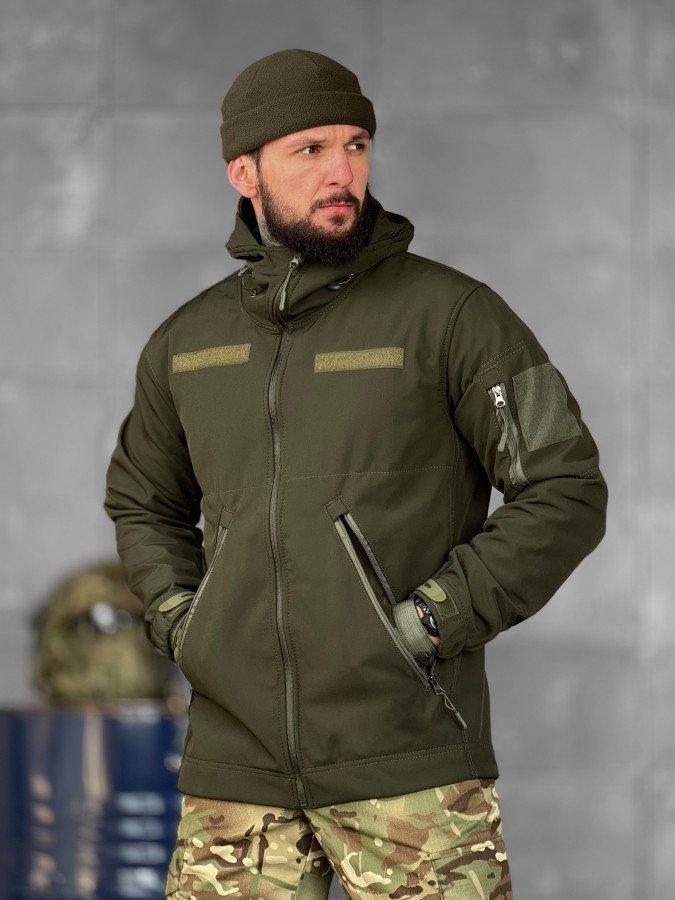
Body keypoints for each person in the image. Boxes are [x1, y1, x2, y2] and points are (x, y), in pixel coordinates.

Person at [103, 48, 608, 899]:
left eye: (356, 145)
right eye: (309, 149)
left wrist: (428, 621)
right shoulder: (187, 344)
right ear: (243, 172)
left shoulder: (452, 316)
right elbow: (142, 504)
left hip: (408, 767)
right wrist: (184, 625)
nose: (341, 171)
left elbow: (565, 488)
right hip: (236, 781)